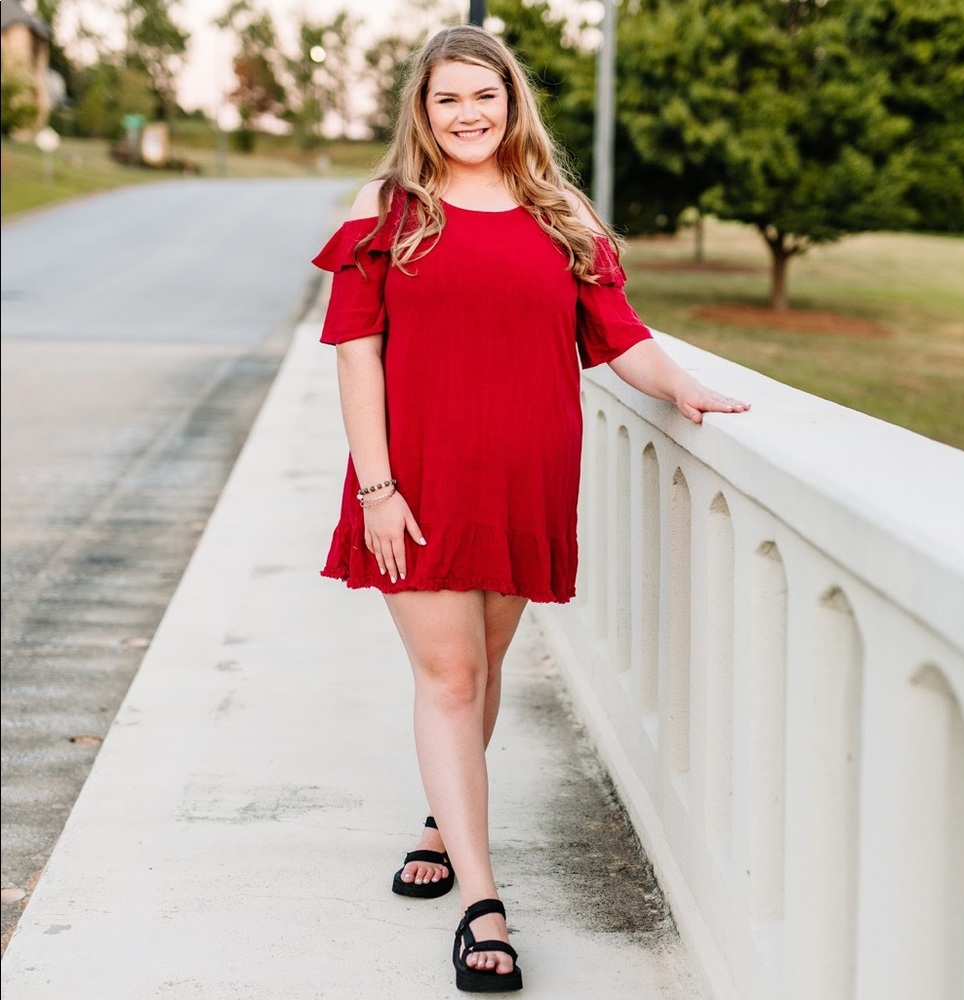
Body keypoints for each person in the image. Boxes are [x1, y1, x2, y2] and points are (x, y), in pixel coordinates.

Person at [312, 24, 750, 994]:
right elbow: (355, 353)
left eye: (485, 96)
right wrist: (376, 487)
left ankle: (440, 815)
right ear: (421, 114)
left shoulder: (561, 211)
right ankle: (483, 904)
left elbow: (620, 334)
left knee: (485, 665)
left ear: (513, 102)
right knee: (450, 674)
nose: (468, 115)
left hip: (526, 479)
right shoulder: (389, 209)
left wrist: (681, 387)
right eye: (447, 100)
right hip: (414, 483)